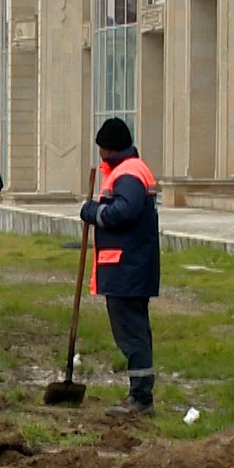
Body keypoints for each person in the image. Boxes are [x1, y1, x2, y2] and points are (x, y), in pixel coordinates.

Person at [80, 117, 159, 419]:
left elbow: (124, 211)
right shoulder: (130, 169)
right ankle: (140, 393)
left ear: (107, 148)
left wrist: (91, 211)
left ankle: (141, 399)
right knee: (136, 332)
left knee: (132, 334)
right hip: (132, 267)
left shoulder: (126, 173)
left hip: (127, 268)